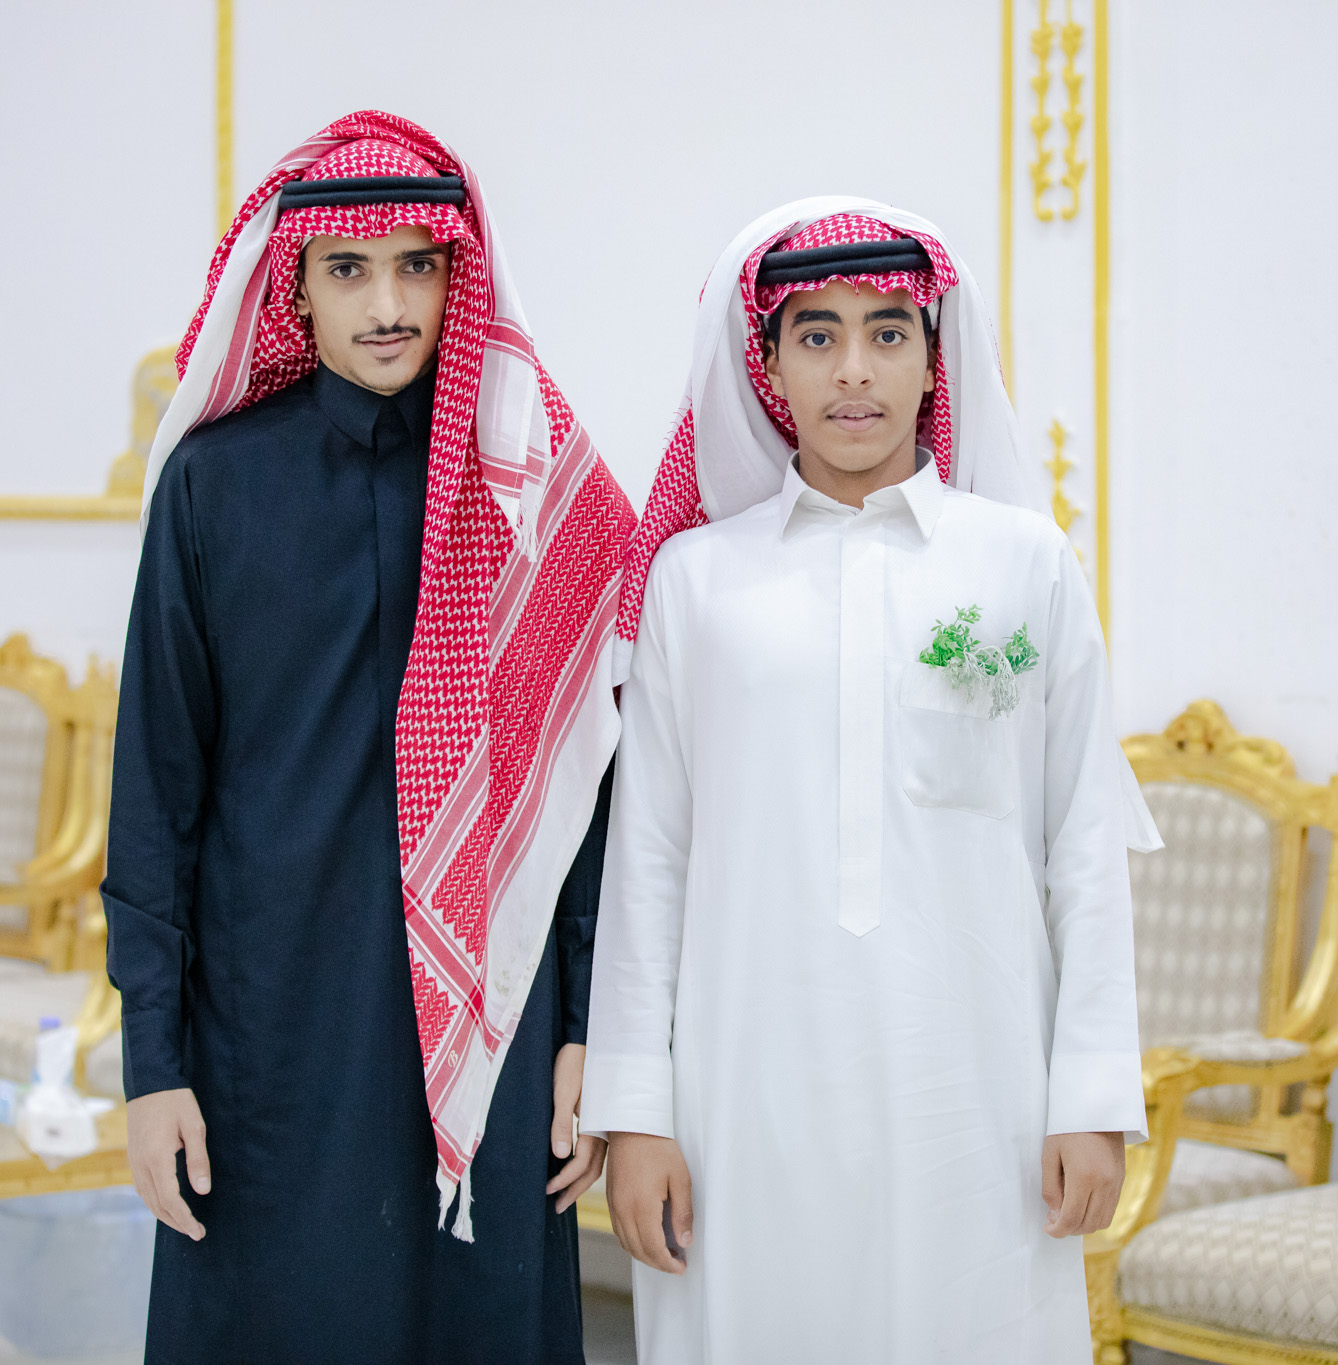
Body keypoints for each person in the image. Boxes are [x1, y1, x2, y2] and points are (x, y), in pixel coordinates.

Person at [581, 201, 1162, 1363]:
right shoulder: (695, 582)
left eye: (887, 333)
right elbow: (647, 862)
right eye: (817, 335)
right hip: (744, 1097)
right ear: (769, 367)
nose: (853, 370)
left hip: (978, 1091)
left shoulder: (1024, 564)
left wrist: (1092, 1096)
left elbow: (1082, 845)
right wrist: (636, 1112)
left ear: (934, 360)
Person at [104, 110, 635, 1363]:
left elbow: (589, 796)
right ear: (295, 285)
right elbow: (154, 797)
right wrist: (151, 1064)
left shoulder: (532, 491)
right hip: (269, 1030)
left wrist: (586, 1031)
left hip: (497, 1024)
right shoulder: (214, 485)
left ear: (460, 275)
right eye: (348, 269)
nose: (387, 305)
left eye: (417, 266)